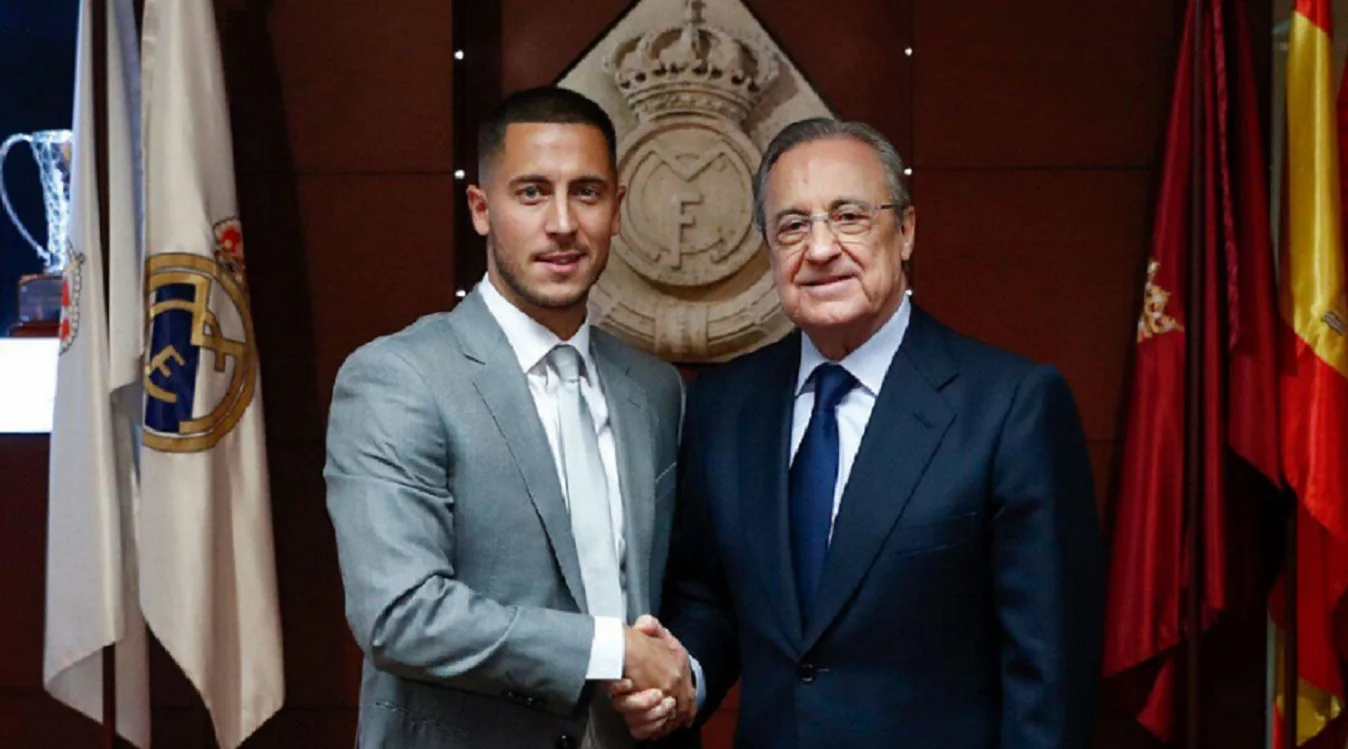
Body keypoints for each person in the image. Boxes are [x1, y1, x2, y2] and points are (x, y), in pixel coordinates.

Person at [613, 117, 1104, 748]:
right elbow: (710, 598)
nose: (820, 249)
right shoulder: (725, 406)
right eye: (793, 226)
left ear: (906, 231)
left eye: (849, 217)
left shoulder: (1010, 407)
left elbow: (1048, 675)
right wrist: (684, 679)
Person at [325, 86, 694, 749]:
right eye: (531, 192)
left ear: (617, 209)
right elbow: (400, 615)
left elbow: (669, 592)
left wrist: (673, 682)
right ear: (481, 208)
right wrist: (608, 649)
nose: (563, 223)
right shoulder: (397, 378)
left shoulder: (654, 388)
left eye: (586, 192)